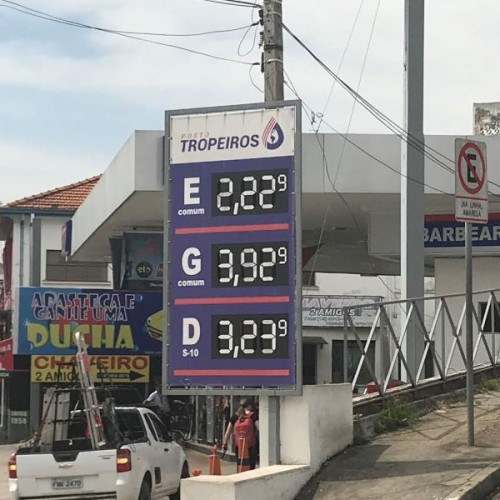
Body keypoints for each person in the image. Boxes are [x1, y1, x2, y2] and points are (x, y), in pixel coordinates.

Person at [222, 399, 259, 470]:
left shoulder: (235, 416)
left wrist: (225, 443)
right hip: (250, 446)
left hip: (239, 446)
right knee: (251, 466)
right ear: (249, 406)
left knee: (240, 464)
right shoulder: (253, 416)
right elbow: (260, 429)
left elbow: (228, 432)